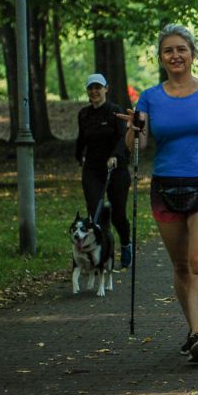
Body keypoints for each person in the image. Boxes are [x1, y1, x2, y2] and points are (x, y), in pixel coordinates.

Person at [119, 24, 198, 363]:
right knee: (180, 266)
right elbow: (139, 146)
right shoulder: (149, 97)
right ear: (160, 58)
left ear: (192, 54)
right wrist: (134, 130)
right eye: (168, 51)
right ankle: (192, 328)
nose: (175, 55)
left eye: (181, 49)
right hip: (166, 188)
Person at [75, 73, 132, 268]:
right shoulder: (84, 114)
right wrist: (78, 155)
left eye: (98, 88)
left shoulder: (115, 112)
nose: (94, 92)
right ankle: (101, 254)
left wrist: (115, 155)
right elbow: (82, 138)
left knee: (118, 216)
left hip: (116, 169)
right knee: (96, 214)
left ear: (106, 89)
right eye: (91, 88)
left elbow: (122, 137)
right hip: (92, 169)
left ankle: (125, 243)